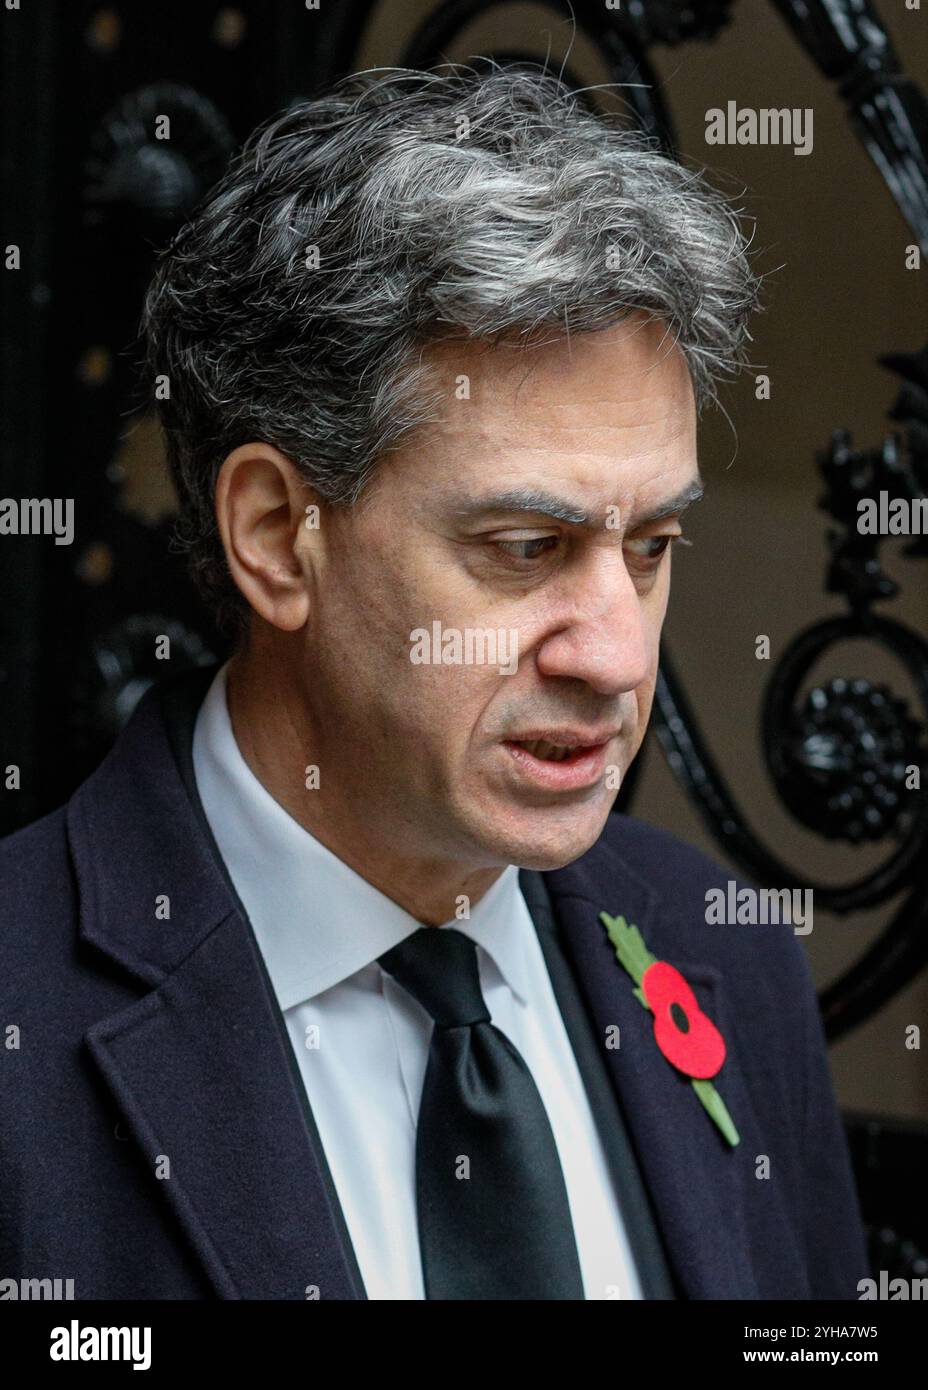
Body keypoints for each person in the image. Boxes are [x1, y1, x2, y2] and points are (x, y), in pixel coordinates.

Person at [0, 63, 868, 1300]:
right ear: (272, 531)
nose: (616, 654)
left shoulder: (719, 951)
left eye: (651, 548)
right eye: (526, 550)